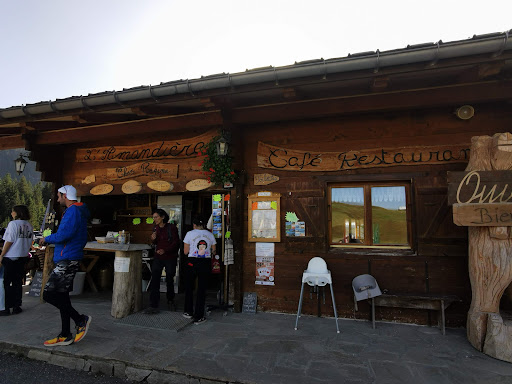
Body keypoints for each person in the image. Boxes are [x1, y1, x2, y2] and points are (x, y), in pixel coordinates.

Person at [39, 185, 92, 346]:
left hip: (67, 258)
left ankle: (80, 319)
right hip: (68, 256)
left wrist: (46, 239)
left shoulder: (73, 211)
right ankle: (65, 334)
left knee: (48, 294)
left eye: (59, 196)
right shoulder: (76, 210)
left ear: (65, 195)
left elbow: (65, 234)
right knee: (62, 296)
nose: (57, 199)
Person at [144, 208, 180, 314]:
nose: (154, 219)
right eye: (153, 217)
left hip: (170, 257)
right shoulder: (155, 228)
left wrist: (165, 250)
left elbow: (176, 243)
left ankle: (170, 300)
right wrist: (153, 239)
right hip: (158, 257)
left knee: (169, 278)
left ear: (163, 217)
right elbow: (155, 243)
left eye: (156, 217)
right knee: (155, 279)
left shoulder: (171, 228)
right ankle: (153, 304)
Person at [0, 205, 33, 316]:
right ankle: (16, 306)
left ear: (17, 213)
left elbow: (9, 241)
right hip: (22, 256)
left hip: (10, 256)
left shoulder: (13, 224)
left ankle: (5, 308)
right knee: (18, 282)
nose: (11, 213)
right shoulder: (29, 225)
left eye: (13, 211)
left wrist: (2, 254)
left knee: (6, 283)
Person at [183, 215, 216, 324]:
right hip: (205, 262)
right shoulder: (210, 234)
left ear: (194, 225)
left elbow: (185, 251)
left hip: (192, 261)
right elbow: (214, 250)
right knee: (201, 289)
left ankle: (188, 311)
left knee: (189, 286)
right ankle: (199, 316)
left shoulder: (189, 234)